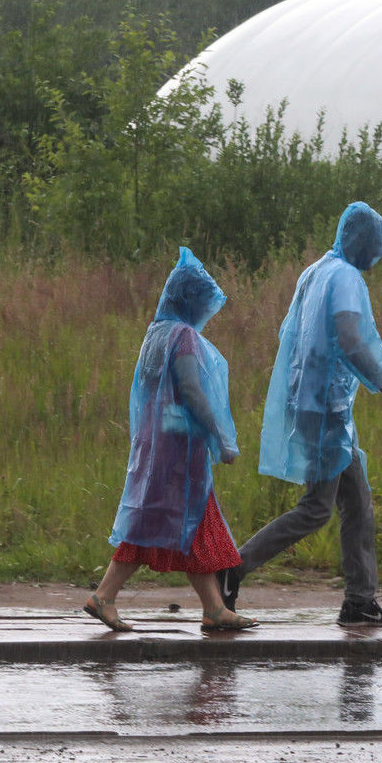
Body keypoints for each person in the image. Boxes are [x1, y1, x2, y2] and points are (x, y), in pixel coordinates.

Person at [218, 201, 382, 627]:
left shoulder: (317, 269)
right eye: (376, 245)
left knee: (357, 503)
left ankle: (360, 602)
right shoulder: (343, 276)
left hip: (317, 405)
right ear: (362, 241)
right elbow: (350, 339)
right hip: (325, 409)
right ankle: (233, 566)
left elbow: (291, 333)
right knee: (316, 509)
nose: (377, 255)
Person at [84, 248, 257, 633]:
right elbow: (193, 392)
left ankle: (213, 608)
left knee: (186, 523)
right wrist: (219, 436)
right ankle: (105, 596)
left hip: (157, 446)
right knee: (164, 522)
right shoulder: (182, 337)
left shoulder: (155, 334)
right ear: (191, 300)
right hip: (179, 451)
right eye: (202, 302)